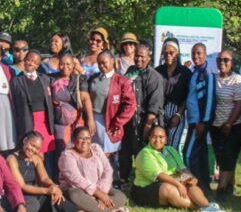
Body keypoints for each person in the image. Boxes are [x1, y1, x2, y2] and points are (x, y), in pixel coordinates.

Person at [6, 132, 108, 212]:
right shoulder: (12, 159)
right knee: (46, 197)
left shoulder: (36, 158)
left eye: (37, 148)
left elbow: (44, 178)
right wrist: (47, 190)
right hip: (17, 196)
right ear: (25, 141)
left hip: (33, 192)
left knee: (56, 197)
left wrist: (54, 187)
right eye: (32, 145)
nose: (34, 150)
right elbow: (22, 186)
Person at [132, 126, 226, 212]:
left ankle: (207, 206)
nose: (157, 140)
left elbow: (182, 169)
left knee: (190, 183)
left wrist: (191, 177)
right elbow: (159, 176)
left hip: (171, 180)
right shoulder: (145, 153)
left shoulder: (170, 150)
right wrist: (178, 184)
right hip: (145, 188)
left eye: (161, 137)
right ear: (149, 138)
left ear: (166, 139)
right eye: (154, 137)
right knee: (168, 189)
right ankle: (198, 208)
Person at [58, 127, 130, 212]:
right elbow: (76, 180)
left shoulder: (96, 148)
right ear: (74, 140)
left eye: (87, 138)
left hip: (99, 188)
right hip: (78, 190)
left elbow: (108, 170)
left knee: (120, 196)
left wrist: (102, 193)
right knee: (75, 195)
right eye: (81, 138)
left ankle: (93, 208)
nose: (84, 141)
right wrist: (98, 193)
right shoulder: (67, 156)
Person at [87, 50, 137, 179]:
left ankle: (111, 180)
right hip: (94, 119)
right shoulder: (93, 79)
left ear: (112, 61)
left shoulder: (122, 81)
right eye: (99, 64)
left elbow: (130, 105)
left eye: (104, 63)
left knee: (109, 153)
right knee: (95, 151)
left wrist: (119, 121)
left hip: (111, 120)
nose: (101, 66)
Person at [121, 42, 164, 183]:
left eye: (142, 56)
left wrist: (147, 127)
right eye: (136, 56)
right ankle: (124, 179)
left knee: (144, 153)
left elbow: (154, 106)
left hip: (145, 123)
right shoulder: (130, 72)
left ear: (148, 58)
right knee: (126, 151)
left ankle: (145, 181)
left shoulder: (155, 77)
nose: (139, 59)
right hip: (129, 121)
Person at [10, 50, 57, 176]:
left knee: (46, 155)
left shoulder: (45, 79)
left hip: (45, 121)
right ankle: (35, 182)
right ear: (25, 60)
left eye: (35, 62)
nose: (31, 63)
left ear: (38, 65)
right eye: (29, 59)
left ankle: (49, 181)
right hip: (28, 120)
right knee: (33, 153)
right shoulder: (16, 81)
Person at [211, 49, 241, 198]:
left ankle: (221, 190)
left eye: (226, 60)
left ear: (232, 63)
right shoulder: (213, 78)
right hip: (216, 125)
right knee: (221, 157)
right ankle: (230, 186)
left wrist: (229, 123)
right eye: (220, 60)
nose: (222, 63)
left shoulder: (238, 80)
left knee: (228, 155)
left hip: (235, 125)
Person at [181, 43, 216, 196]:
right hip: (193, 120)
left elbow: (210, 99)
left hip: (199, 122)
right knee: (201, 155)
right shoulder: (195, 72)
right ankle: (204, 186)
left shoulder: (207, 73)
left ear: (205, 54)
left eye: (199, 53)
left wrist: (204, 121)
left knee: (188, 154)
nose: (196, 56)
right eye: (194, 53)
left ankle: (194, 184)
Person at [50, 53, 95, 152]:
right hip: (59, 124)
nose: (65, 67)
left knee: (79, 150)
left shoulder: (79, 79)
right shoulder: (51, 79)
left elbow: (85, 98)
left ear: (73, 65)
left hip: (77, 122)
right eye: (62, 64)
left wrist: (91, 119)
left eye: (68, 64)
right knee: (62, 152)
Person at [155, 37, 191, 149]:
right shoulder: (157, 71)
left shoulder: (185, 72)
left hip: (176, 113)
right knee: (158, 146)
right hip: (159, 113)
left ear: (177, 53)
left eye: (171, 52)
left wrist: (178, 114)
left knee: (172, 147)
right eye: (165, 53)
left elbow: (187, 96)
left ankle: (172, 167)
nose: (168, 55)